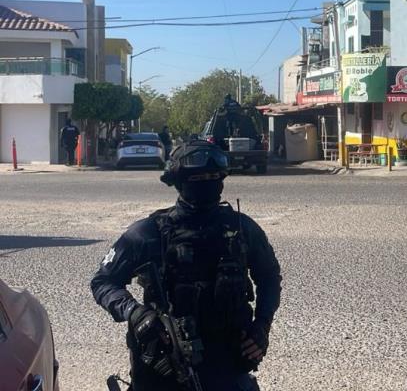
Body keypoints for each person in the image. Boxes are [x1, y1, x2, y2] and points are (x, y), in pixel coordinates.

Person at [91, 140, 282, 391]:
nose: (209, 182)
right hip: (164, 360)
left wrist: (262, 327)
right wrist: (134, 312)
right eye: (199, 177)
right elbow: (103, 281)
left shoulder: (241, 228)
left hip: (228, 362)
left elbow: (269, 278)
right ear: (180, 181)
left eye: (214, 176)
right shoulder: (149, 232)